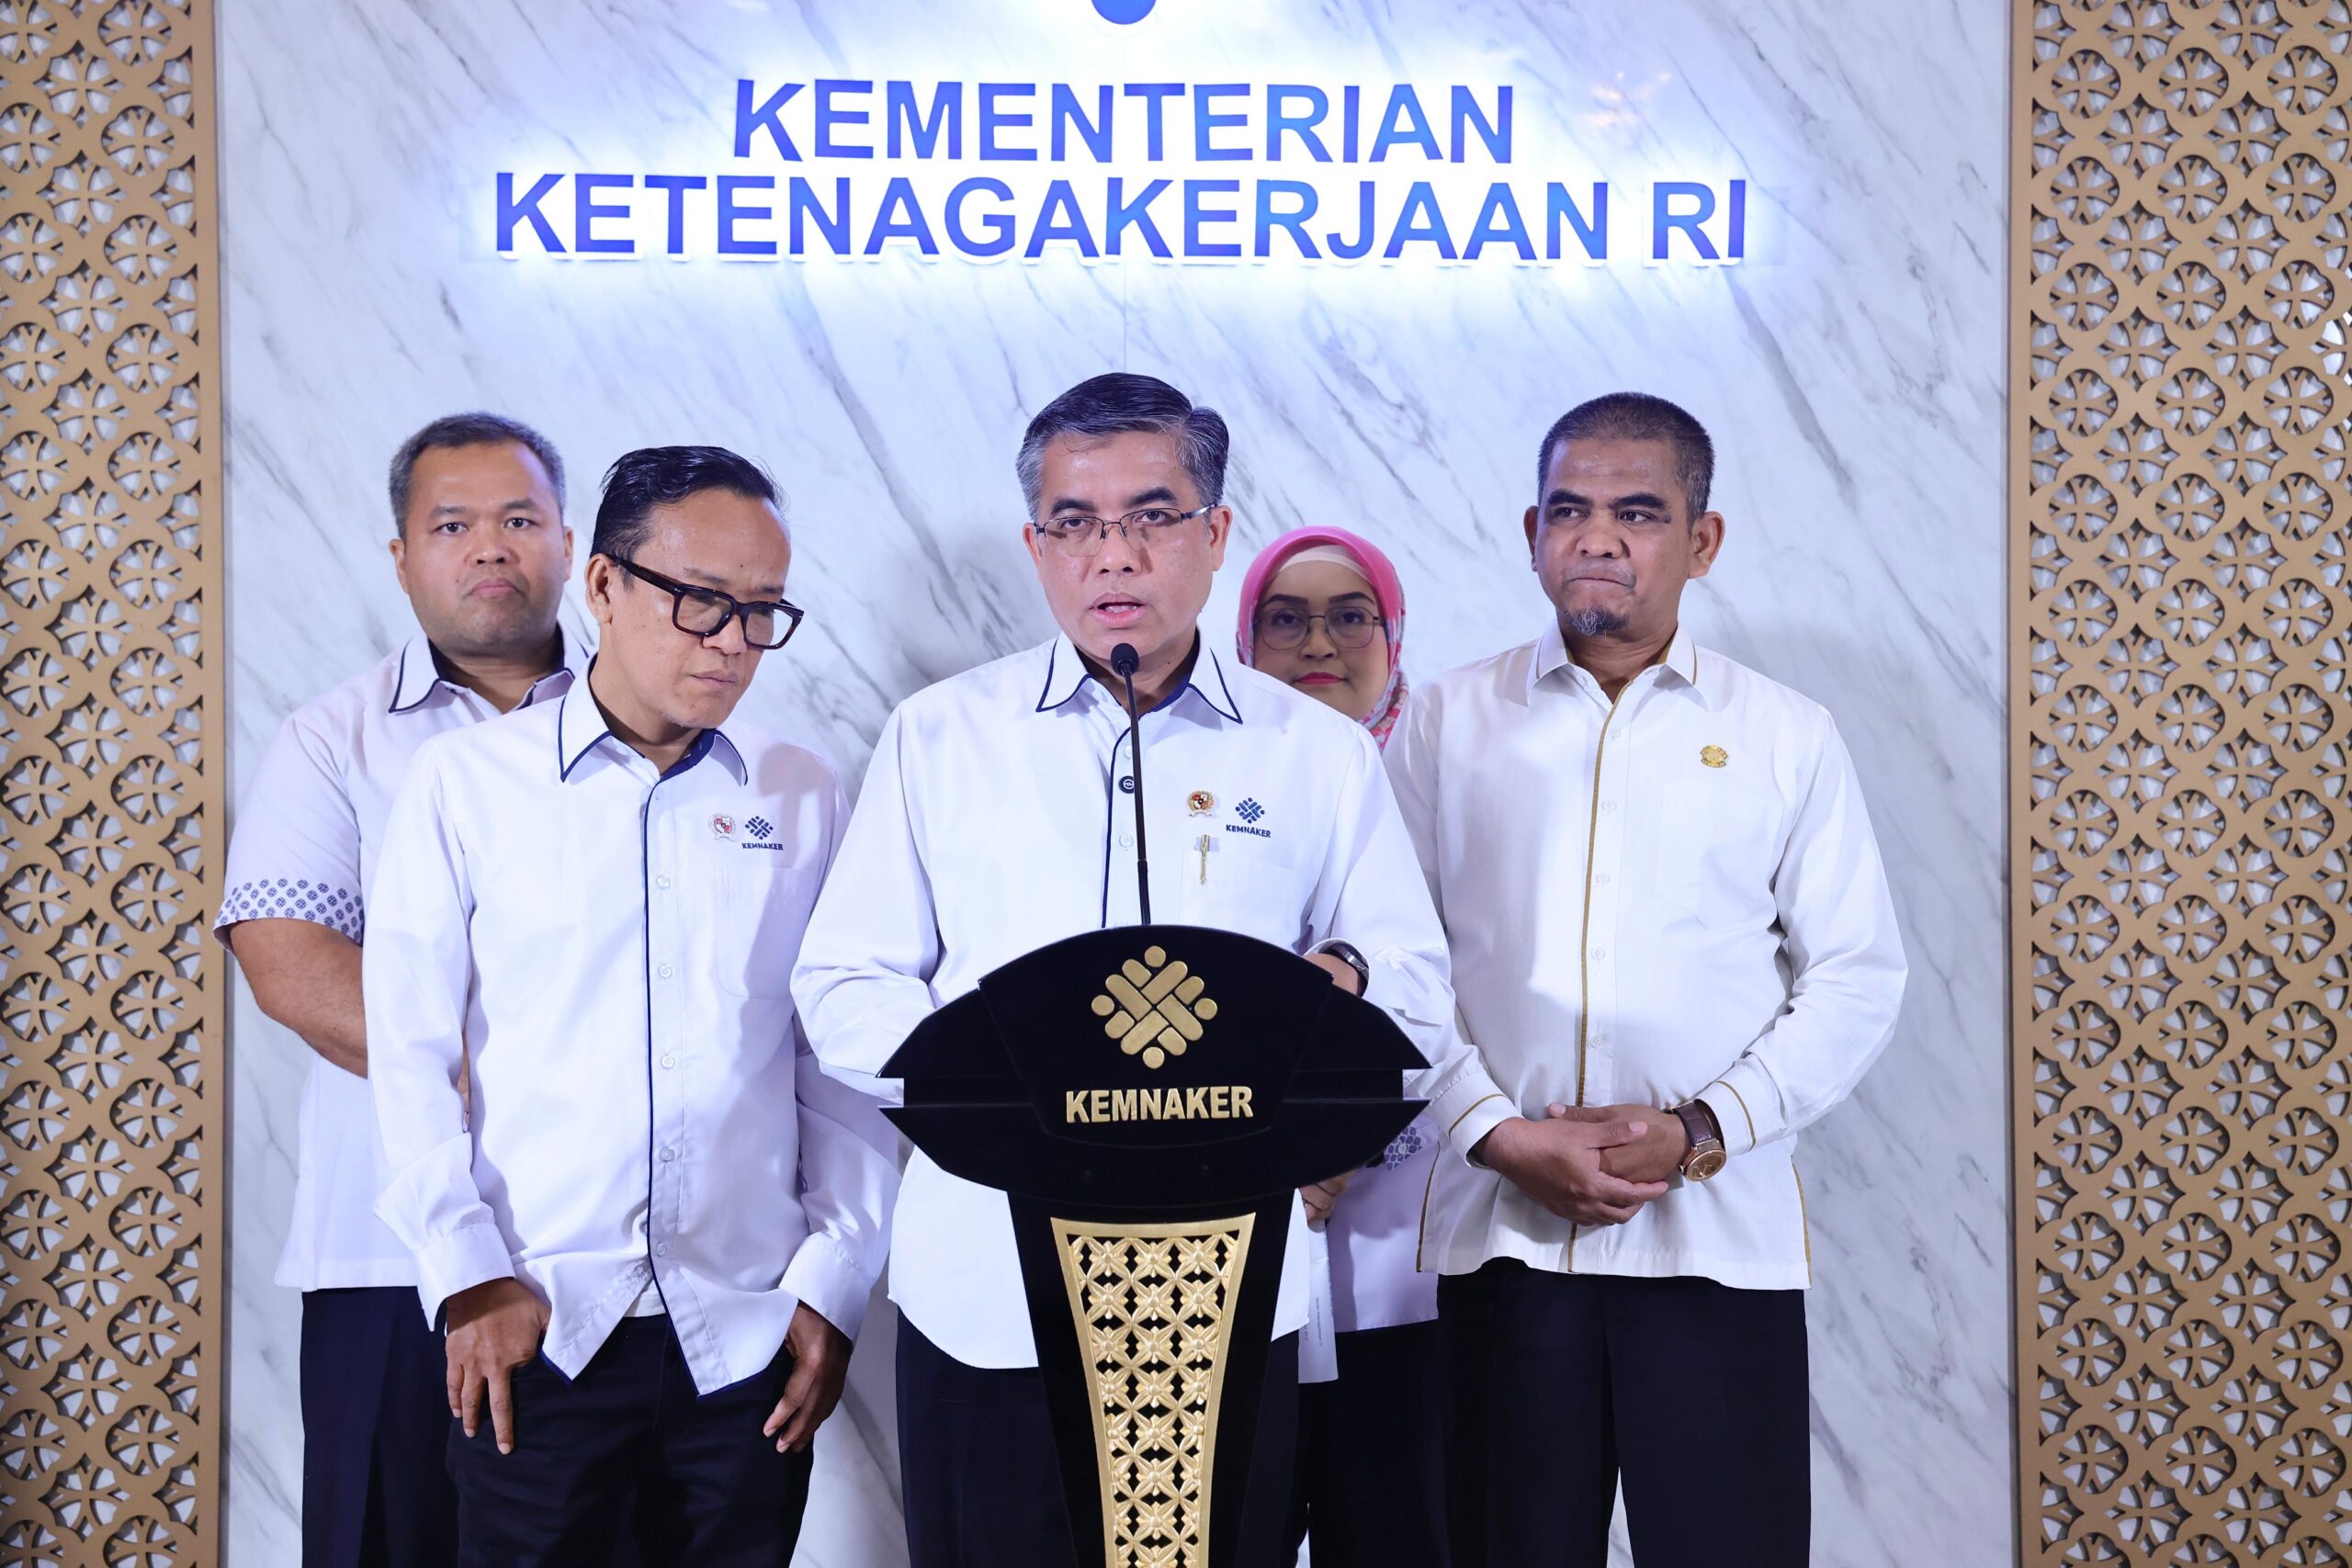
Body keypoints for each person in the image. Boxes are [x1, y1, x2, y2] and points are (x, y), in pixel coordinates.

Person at [792, 372, 1518, 1568]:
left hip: (1228, 1289)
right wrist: (1011, 1082)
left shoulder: (1315, 753)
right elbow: (843, 984)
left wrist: (1330, 987)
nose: (1113, 553)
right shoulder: (942, 735)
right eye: (1075, 522)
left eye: (1152, 515)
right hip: (988, 1291)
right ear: (1037, 546)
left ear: (1216, 533)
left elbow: (1415, 994)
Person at [1386, 392, 1907, 1568]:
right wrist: (1494, 1133)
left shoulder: (1785, 735)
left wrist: (1701, 1131)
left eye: (1637, 512)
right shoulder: (1445, 723)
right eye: (1568, 510)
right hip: (1502, 1237)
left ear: (1701, 540)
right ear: (1531, 533)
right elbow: (1393, 967)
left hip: (1715, 1240)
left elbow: (1856, 976)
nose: (1597, 538)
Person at [365, 446, 897, 1566]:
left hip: (746, 1338)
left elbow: (836, 1062)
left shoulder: (799, 791)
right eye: (703, 601)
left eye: (762, 611)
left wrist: (834, 1284)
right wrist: (469, 1278)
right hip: (538, 1328)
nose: (732, 642)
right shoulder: (468, 787)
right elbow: (408, 1054)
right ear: (603, 584)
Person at [216, 412, 583, 1568]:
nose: (490, 548)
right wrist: (544, 1087)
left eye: (518, 519)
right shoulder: (336, 738)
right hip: (386, 1254)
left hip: (613, 1256)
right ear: (401, 556)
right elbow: (287, 961)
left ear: (569, 545)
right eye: (452, 525)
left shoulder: (658, 728)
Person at [1235, 526, 1446, 1566]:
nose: (1318, 642)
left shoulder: (1445, 793)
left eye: (1350, 615)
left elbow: (1459, 1000)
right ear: (1245, 641)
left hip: (1408, 1258)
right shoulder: (1199, 783)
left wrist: (1336, 1145)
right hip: (1234, 1257)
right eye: (1286, 618)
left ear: (1392, 635)